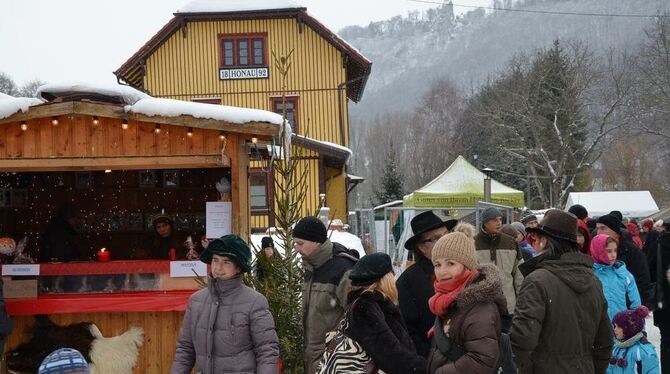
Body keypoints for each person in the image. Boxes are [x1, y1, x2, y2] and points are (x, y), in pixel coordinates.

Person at [512, 209, 613, 374]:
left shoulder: (537, 281)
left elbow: (522, 339)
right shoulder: (593, 281)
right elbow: (604, 342)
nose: (534, 241)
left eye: (536, 237)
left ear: (545, 241)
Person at [171, 235, 279, 374]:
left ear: (238, 267)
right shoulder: (196, 301)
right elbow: (185, 349)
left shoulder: (254, 302)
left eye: (226, 262)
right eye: (215, 260)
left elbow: (267, 351)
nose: (218, 267)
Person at [427, 223, 506, 373]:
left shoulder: (479, 306)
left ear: (468, 266)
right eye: (437, 264)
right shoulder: (449, 300)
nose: (442, 272)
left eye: (451, 263)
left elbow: (482, 359)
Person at [336, 252, 425, 373]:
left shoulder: (373, 304)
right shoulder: (365, 308)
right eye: (392, 275)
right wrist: (425, 367)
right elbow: (390, 355)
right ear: (385, 279)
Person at [293, 216, 357, 373]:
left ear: (316, 242)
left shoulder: (343, 270)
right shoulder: (312, 266)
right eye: (294, 243)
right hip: (314, 360)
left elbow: (359, 318)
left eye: (300, 243)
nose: (296, 248)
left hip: (336, 361)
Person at [396, 211, 457, 357]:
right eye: (436, 238)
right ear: (422, 248)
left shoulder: (465, 268)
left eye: (446, 234)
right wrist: (429, 361)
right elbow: (408, 330)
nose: (444, 241)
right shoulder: (408, 281)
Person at [474, 207, 523, 316]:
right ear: (485, 223)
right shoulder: (473, 244)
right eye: (495, 220)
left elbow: (519, 275)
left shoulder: (510, 243)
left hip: (509, 307)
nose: (499, 223)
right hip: (482, 307)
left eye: (500, 219)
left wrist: (522, 303)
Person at [597, 214, 652, 308]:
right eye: (597, 228)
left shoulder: (631, 251)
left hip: (625, 306)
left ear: (614, 230)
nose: (598, 232)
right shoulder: (596, 248)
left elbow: (642, 281)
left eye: (603, 228)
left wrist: (635, 308)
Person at [590, 234, 641, 320]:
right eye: (608, 251)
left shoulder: (624, 274)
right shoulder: (590, 274)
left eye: (615, 250)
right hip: (597, 328)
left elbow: (636, 303)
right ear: (598, 251)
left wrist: (638, 325)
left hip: (621, 326)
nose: (613, 255)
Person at [609, 306, 660, 374]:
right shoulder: (616, 348)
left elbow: (651, 371)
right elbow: (610, 369)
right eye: (615, 326)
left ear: (629, 329)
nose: (615, 329)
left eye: (619, 327)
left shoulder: (643, 351)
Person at [648, 231, 670, 372]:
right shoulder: (659, 243)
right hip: (664, 301)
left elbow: (649, 270)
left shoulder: (659, 243)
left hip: (664, 302)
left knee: (667, 341)